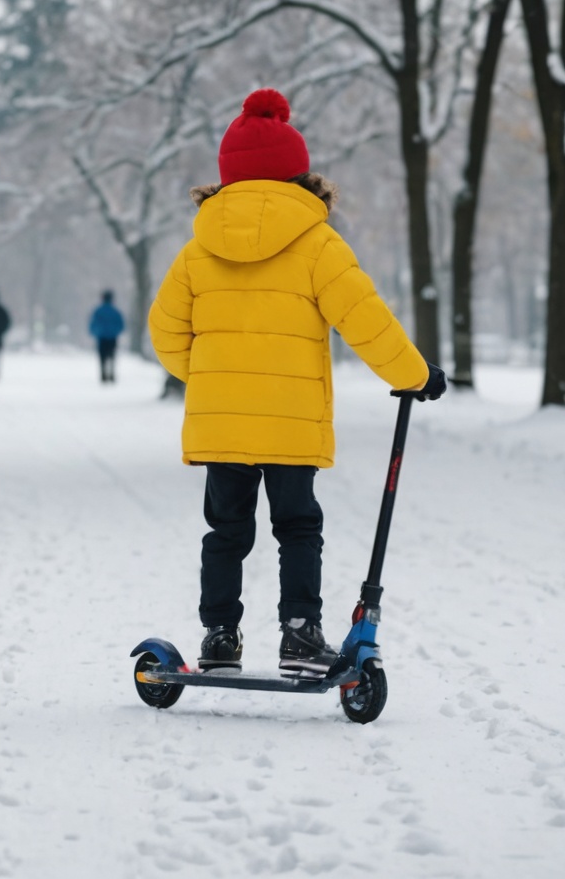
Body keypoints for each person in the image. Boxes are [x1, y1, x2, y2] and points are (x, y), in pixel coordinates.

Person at [149, 89, 445, 678]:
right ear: (300, 175)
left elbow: (163, 332)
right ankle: (300, 636)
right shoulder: (318, 244)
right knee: (298, 528)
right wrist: (415, 376)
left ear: (225, 176)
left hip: (222, 423)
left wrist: (212, 380)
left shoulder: (196, 250)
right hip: (292, 422)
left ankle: (219, 637)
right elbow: (367, 321)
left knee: (226, 531)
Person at [88, 291, 125, 384]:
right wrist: (115, 332)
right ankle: (112, 375)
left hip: (101, 338)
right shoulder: (115, 311)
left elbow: (93, 324)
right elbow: (121, 325)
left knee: (102, 357)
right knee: (112, 356)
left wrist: (96, 333)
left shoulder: (98, 311)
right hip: (113, 338)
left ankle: (103, 376)